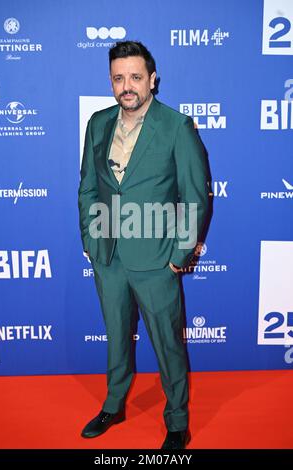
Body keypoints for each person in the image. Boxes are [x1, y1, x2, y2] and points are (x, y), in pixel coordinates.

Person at [78, 40, 210, 449]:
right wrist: (90, 237)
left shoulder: (176, 126)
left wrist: (178, 255)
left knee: (167, 342)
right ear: (111, 81)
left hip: (156, 259)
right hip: (109, 255)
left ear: (152, 79)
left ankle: (176, 420)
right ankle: (114, 404)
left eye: (135, 77)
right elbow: (87, 188)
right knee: (116, 335)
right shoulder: (98, 123)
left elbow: (195, 196)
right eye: (119, 78)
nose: (127, 86)